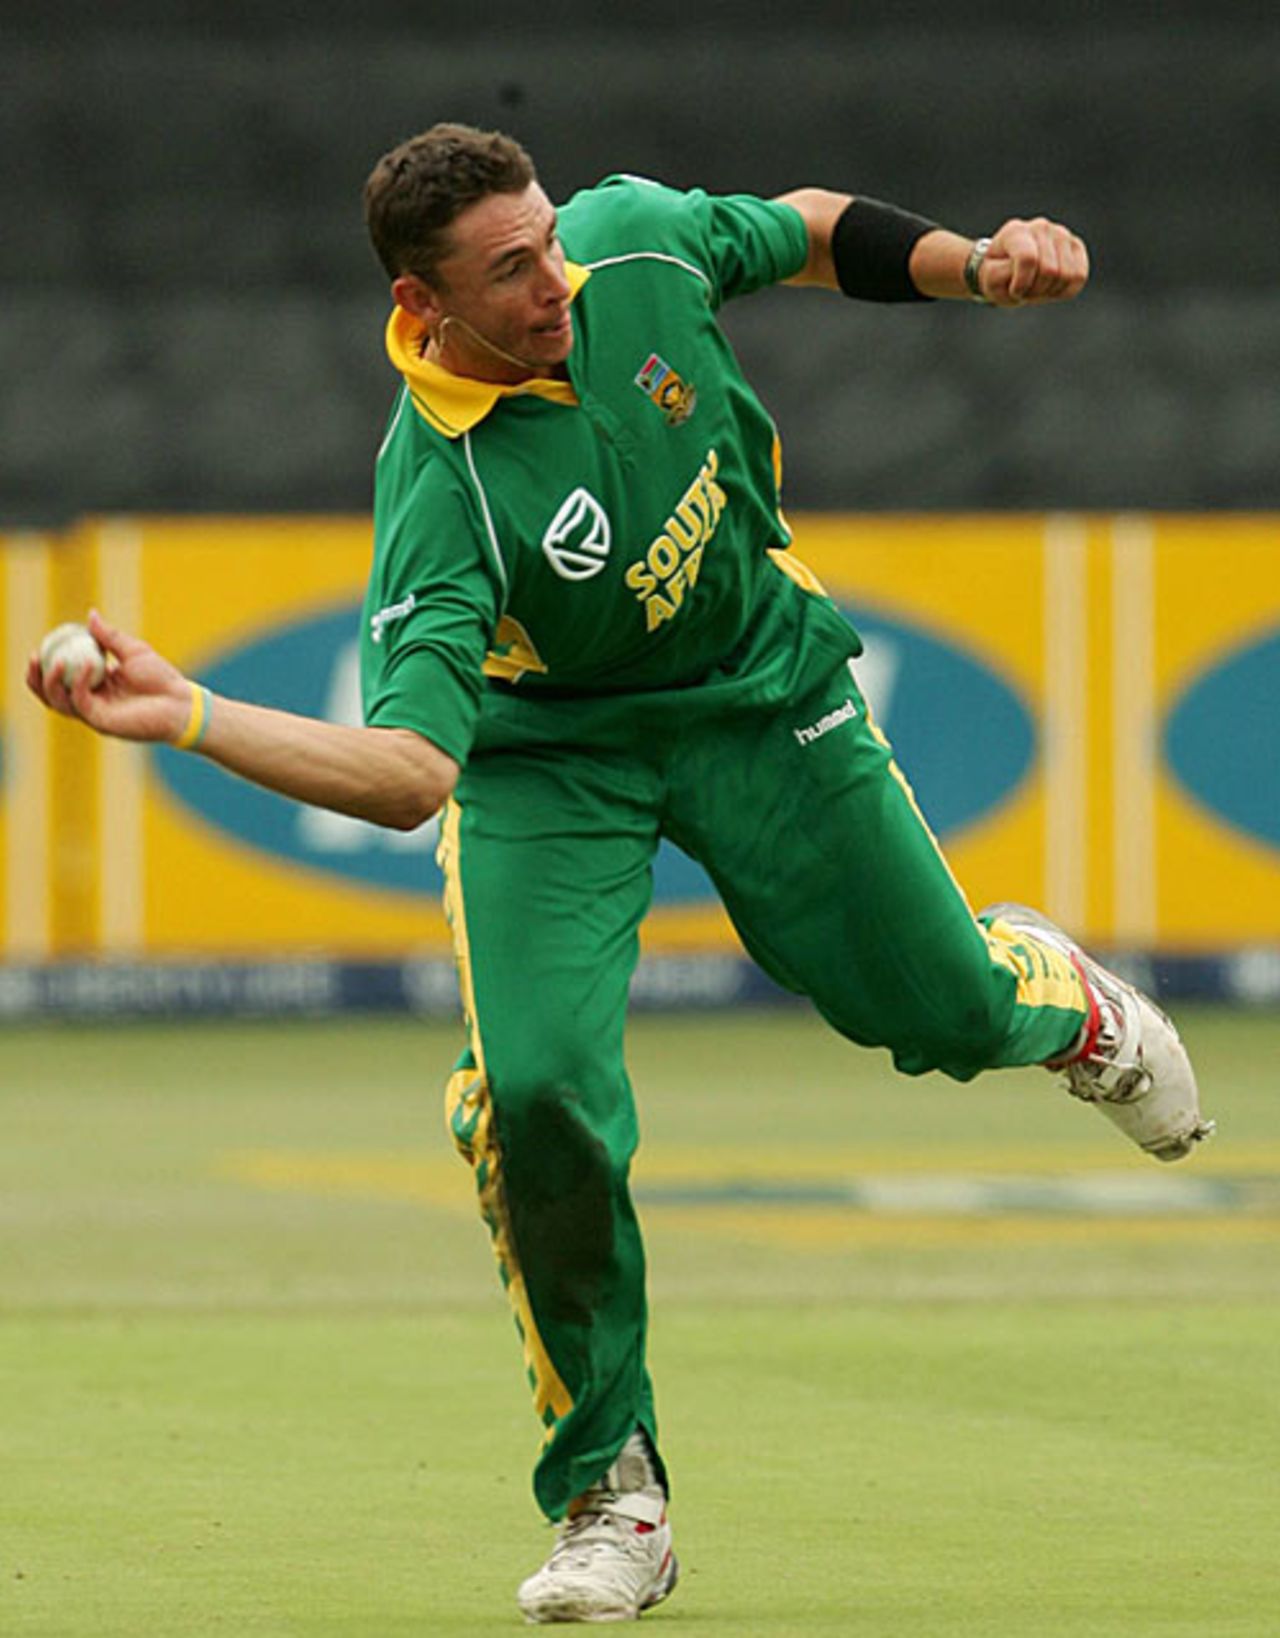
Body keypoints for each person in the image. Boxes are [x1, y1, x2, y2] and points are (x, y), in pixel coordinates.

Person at [28, 122, 1213, 1626]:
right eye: (510, 270)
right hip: (547, 763)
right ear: (421, 307)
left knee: (947, 1007)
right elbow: (410, 781)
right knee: (530, 1098)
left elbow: (800, 225)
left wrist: (976, 265)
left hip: (756, 686)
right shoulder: (442, 487)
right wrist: (184, 713)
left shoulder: (632, 242)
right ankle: (614, 1495)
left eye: (547, 239)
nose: (554, 283)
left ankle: (1069, 1006)